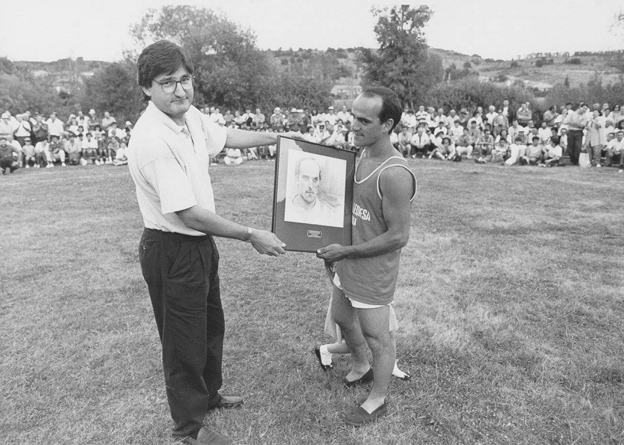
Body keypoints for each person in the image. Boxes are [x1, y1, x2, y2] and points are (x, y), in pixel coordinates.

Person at [127, 40, 291, 445]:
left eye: (185, 80)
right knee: (182, 342)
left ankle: (209, 395)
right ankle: (189, 429)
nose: (180, 90)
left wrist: (277, 138)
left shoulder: (188, 116)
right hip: (172, 248)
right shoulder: (153, 139)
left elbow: (224, 136)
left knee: (210, 326)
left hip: (198, 246)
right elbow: (188, 214)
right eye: (167, 83)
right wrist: (251, 234)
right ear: (147, 88)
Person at [316, 86, 416, 427]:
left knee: (378, 337)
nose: (353, 126)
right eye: (352, 117)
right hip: (347, 262)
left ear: (387, 125)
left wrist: (347, 250)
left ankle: (378, 398)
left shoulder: (394, 174)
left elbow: (399, 236)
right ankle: (360, 365)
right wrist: (335, 247)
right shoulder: (360, 155)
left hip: (373, 271)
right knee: (344, 320)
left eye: (363, 120)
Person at [284, 157, 340, 226]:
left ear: (319, 182)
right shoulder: (284, 209)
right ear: (297, 179)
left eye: (315, 179)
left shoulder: (330, 214)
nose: (310, 185)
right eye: (305, 178)